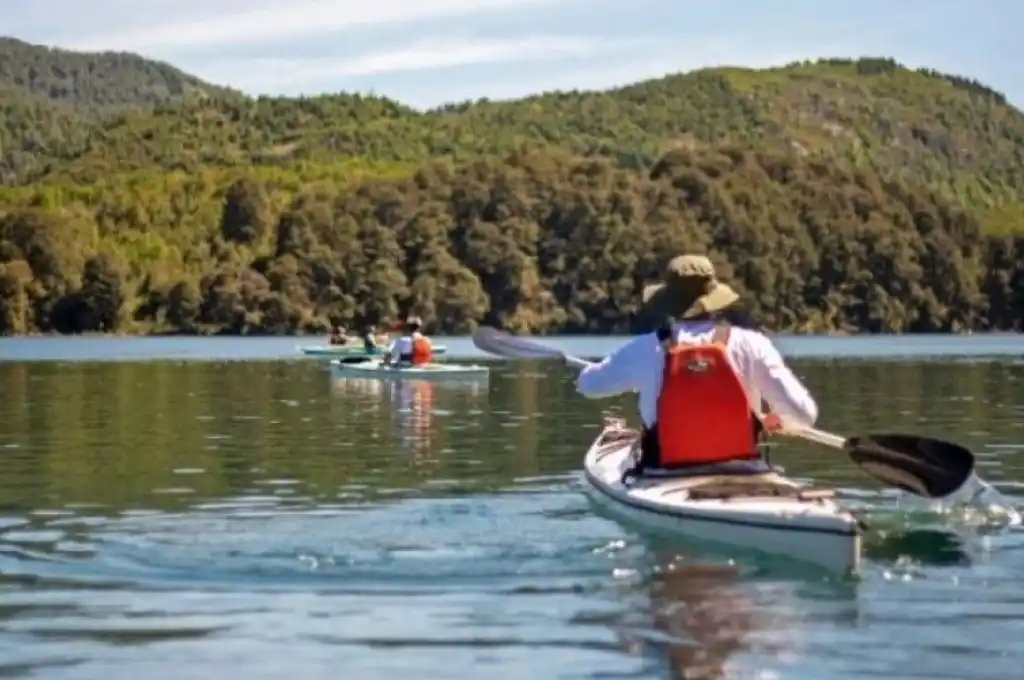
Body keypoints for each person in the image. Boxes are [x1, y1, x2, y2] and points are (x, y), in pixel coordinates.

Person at [575, 254, 819, 478]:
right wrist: (778, 420)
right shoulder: (753, 344)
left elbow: (588, 385)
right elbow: (804, 415)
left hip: (665, 473)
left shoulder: (645, 348)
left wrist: (603, 370)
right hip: (744, 469)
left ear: (668, 301)